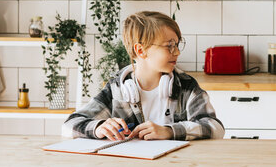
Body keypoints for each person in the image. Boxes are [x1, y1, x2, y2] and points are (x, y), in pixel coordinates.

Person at [63, 11, 225, 141]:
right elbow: (69, 125)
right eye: (169, 46)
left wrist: (169, 131)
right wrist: (98, 128)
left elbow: (215, 128)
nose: (177, 52)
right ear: (141, 51)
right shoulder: (116, 89)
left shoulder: (186, 86)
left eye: (176, 45)